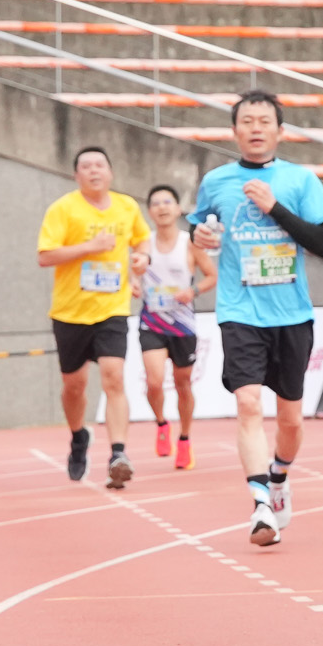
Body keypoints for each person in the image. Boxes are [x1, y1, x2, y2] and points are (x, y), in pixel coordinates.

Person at [188, 90, 323, 545]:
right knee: (249, 404)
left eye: (264, 120)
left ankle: (279, 476)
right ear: (234, 130)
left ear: (280, 130)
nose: (255, 128)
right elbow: (199, 225)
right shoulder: (216, 180)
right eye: (247, 121)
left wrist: (274, 208)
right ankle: (260, 506)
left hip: (291, 313)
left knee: (290, 420)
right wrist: (199, 235)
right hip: (239, 310)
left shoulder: (300, 179)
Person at [37, 146, 152, 489]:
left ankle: (118, 454)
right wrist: (90, 247)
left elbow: (142, 241)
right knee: (74, 386)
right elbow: (45, 256)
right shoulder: (63, 209)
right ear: (76, 175)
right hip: (70, 312)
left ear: (110, 172)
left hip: (112, 309)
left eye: (99, 165)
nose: (93, 171)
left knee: (113, 377)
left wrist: (142, 260)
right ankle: (78, 437)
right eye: (86, 166)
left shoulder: (126, 206)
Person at [137, 184, 217, 470]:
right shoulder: (143, 243)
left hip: (183, 325)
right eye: (156, 203)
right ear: (149, 211)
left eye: (167, 202)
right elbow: (132, 272)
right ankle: (161, 423)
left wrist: (192, 292)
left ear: (178, 209)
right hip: (152, 322)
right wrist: (134, 284)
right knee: (154, 381)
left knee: (183, 384)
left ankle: (184, 438)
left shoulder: (189, 243)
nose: (162, 207)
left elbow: (212, 275)